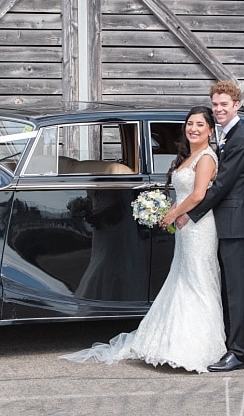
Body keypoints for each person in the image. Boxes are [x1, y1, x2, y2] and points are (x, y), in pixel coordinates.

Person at [60, 106, 226, 372]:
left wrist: (172, 214)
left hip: (198, 226)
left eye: (200, 125)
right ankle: (173, 341)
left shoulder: (206, 158)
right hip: (186, 224)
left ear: (209, 130)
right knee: (181, 277)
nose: (193, 129)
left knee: (198, 280)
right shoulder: (187, 156)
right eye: (190, 124)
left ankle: (198, 347)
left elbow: (198, 195)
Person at [187, 81, 244, 372]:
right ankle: (229, 345)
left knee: (237, 293)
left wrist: (190, 214)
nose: (218, 109)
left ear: (236, 105)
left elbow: (223, 185)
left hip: (236, 223)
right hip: (224, 223)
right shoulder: (227, 135)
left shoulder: (241, 138)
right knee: (227, 289)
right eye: (215, 104)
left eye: (223, 105)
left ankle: (239, 354)